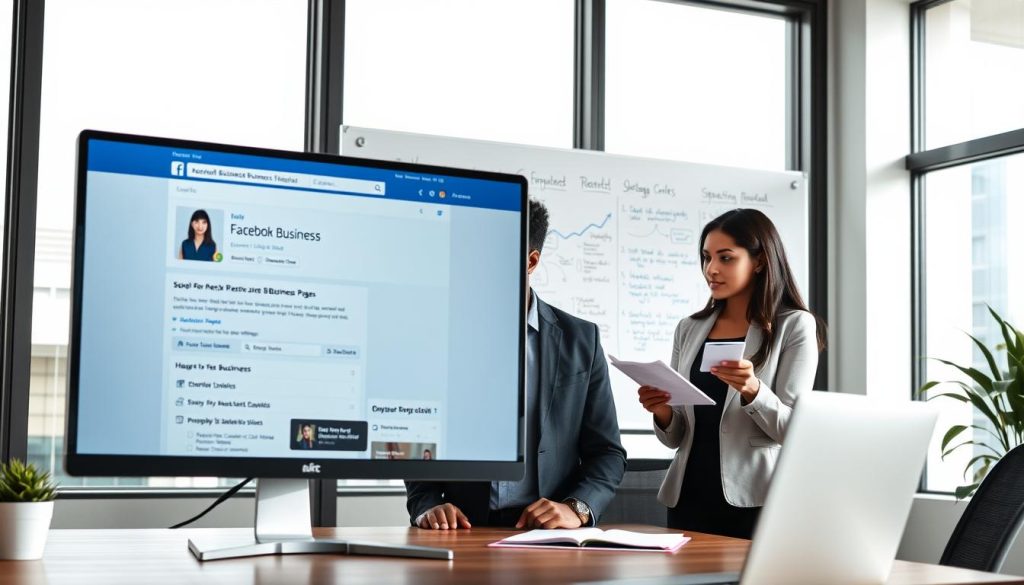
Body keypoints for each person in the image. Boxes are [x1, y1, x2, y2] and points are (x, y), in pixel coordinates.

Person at [405, 198, 626, 530]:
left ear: (531, 261)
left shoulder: (581, 340)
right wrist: (427, 505)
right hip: (460, 529)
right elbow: (415, 434)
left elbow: (607, 452)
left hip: (548, 535)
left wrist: (576, 508)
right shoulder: (438, 332)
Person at [637, 208, 825, 539]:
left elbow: (795, 431)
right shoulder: (689, 328)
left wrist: (753, 390)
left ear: (760, 261)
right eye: (706, 258)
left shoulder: (794, 325)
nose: (711, 269)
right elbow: (676, 437)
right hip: (689, 496)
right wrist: (663, 411)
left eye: (726, 258)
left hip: (755, 501)